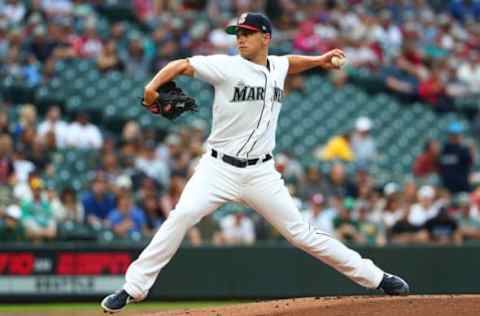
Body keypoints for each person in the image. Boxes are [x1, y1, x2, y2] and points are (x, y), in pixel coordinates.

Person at [101, 12, 409, 313]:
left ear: (266, 37)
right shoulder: (225, 67)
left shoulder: (277, 66)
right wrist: (151, 87)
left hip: (261, 172)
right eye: (237, 33)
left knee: (301, 233)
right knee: (181, 217)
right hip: (217, 168)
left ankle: (378, 278)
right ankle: (133, 288)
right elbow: (180, 65)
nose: (240, 39)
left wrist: (317, 61)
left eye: (247, 33)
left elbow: (290, 62)